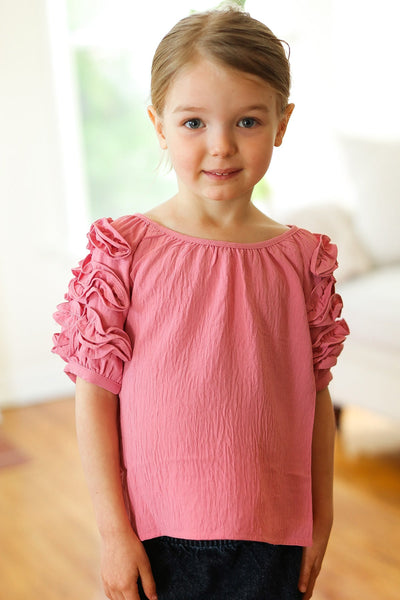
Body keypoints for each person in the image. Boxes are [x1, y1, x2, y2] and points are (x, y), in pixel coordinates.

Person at [53, 7, 349, 600]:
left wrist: (322, 519)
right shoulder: (123, 252)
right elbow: (95, 396)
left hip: (273, 534)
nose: (221, 146)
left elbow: (315, 397)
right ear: (158, 124)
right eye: (193, 122)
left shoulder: (303, 260)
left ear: (282, 123)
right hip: (157, 534)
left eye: (247, 121)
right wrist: (113, 533)